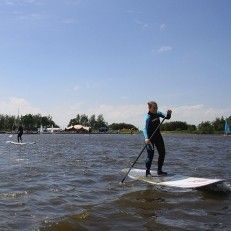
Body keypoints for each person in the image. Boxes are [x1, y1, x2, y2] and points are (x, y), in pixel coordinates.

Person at [143, 101, 172, 177]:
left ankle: (159, 171)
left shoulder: (158, 113)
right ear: (149, 108)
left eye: (157, 107)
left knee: (162, 153)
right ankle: (147, 172)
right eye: (154, 108)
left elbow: (166, 117)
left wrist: (169, 114)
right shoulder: (148, 117)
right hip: (150, 139)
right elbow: (144, 129)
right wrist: (146, 138)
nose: (156, 109)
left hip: (158, 136)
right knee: (150, 155)